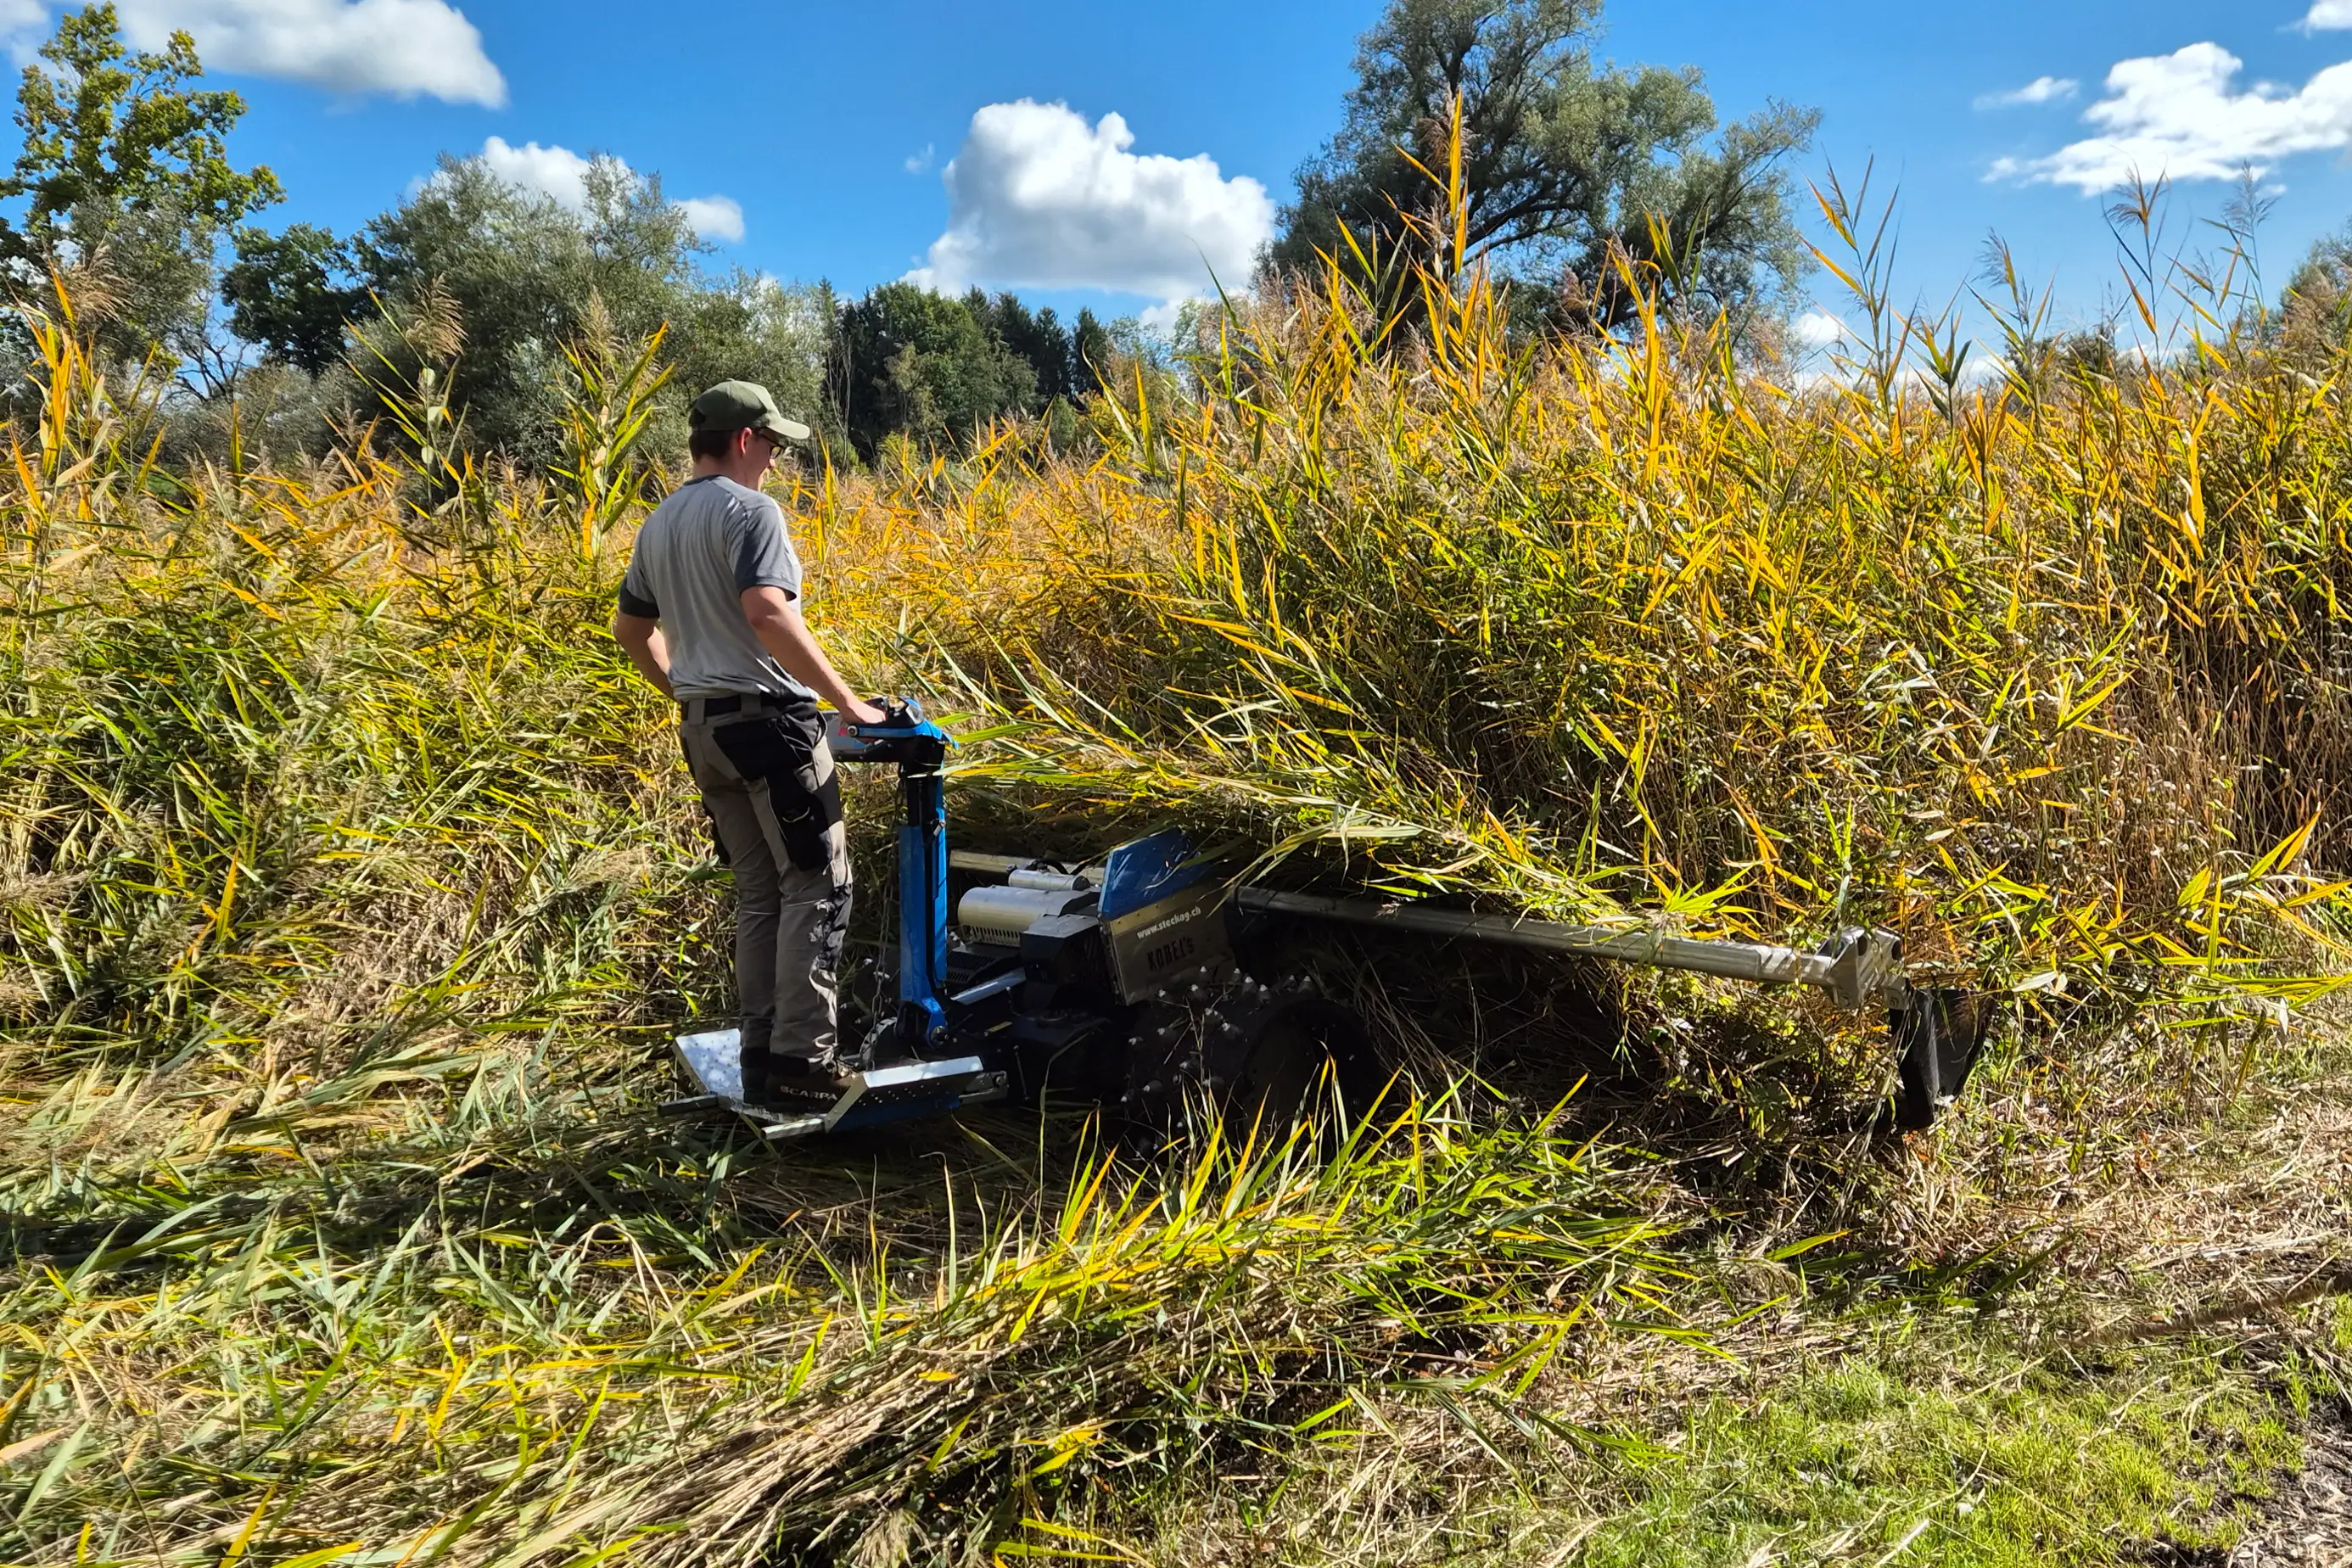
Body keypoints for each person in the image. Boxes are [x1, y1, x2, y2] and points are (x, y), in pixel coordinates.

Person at [611, 381, 884, 1106]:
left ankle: (761, 1051)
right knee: (821, 887)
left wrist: (687, 691)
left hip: (705, 731)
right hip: (771, 726)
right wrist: (850, 702)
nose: (775, 461)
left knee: (761, 893)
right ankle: (805, 1063)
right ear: (743, 441)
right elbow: (767, 611)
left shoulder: (660, 522)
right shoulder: (750, 510)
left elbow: (632, 632)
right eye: (773, 446)